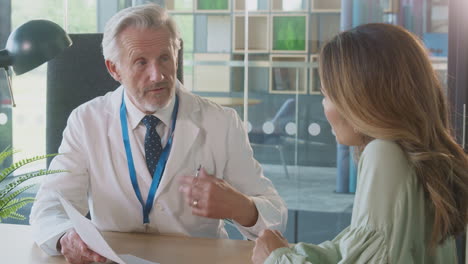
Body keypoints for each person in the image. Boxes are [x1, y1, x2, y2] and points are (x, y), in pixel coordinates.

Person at [30, 4, 287, 263]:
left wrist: (241, 207)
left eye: (164, 57)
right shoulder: (86, 121)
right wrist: (65, 237)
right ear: (114, 69)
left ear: (177, 55)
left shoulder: (221, 122)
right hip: (113, 257)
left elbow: (276, 214)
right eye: (141, 62)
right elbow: (49, 207)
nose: (158, 75)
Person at [252, 23, 468, 263]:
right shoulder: (416, 156)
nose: (324, 106)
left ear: (358, 100)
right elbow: (356, 249)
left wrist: (277, 258)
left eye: (327, 95)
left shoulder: (384, 154)